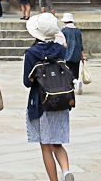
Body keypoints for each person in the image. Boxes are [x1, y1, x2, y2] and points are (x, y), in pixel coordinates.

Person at [24, 13, 75, 181]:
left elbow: (28, 82)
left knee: (46, 146)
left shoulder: (32, 53)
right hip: (60, 99)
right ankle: (66, 170)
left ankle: (54, 180)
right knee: (57, 142)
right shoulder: (61, 49)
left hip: (41, 101)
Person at [61, 14, 86, 93]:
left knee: (67, 71)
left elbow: (62, 43)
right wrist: (83, 55)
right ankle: (76, 81)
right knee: (75, 70)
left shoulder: (64, 31)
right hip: (77, 54)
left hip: (67, 54)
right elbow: (80, 44)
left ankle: (70, 84)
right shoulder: (77, 31)